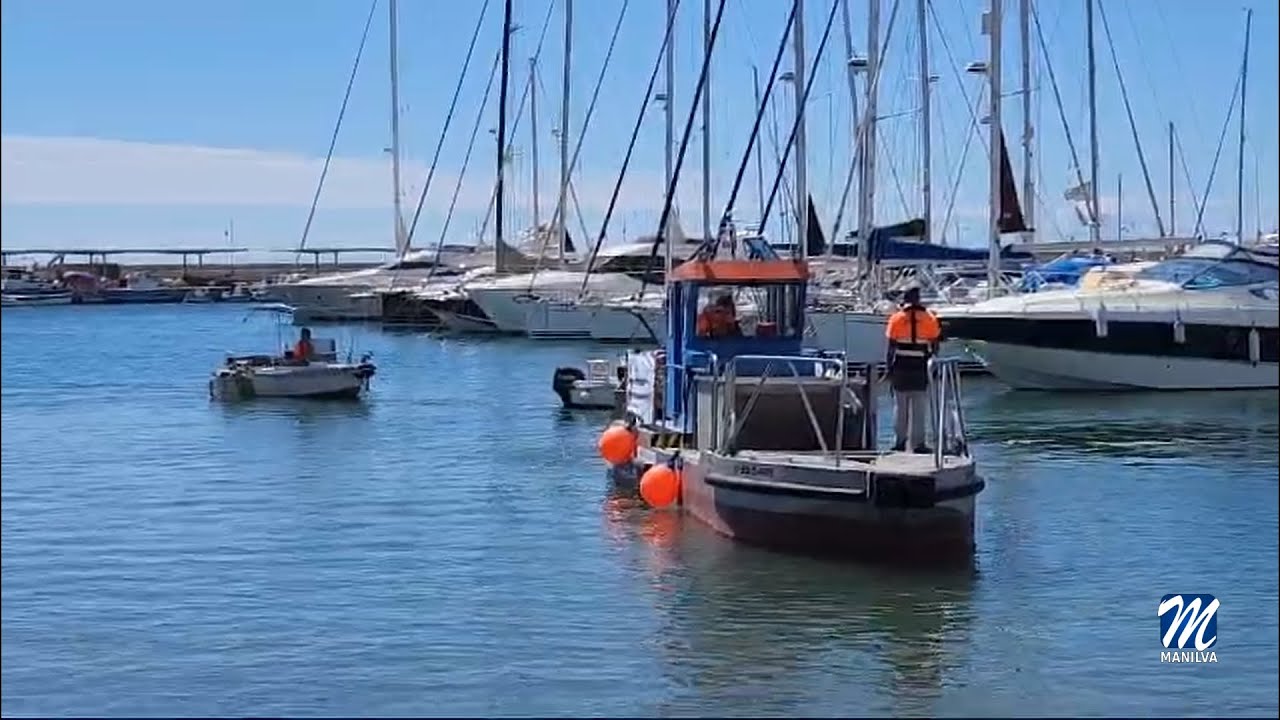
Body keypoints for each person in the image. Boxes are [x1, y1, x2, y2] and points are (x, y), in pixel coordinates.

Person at [884, 285, 941, 453]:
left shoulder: (896, 318)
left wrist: (888, 369)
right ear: (919, 299)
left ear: (905, 299)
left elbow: (891, 348)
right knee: (919, 407)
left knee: (900, 406)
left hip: (901, 367)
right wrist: (933, 363)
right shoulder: (929, 318)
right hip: (920, 367)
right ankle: (918, 444)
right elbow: (935, 345)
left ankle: (900, 442)